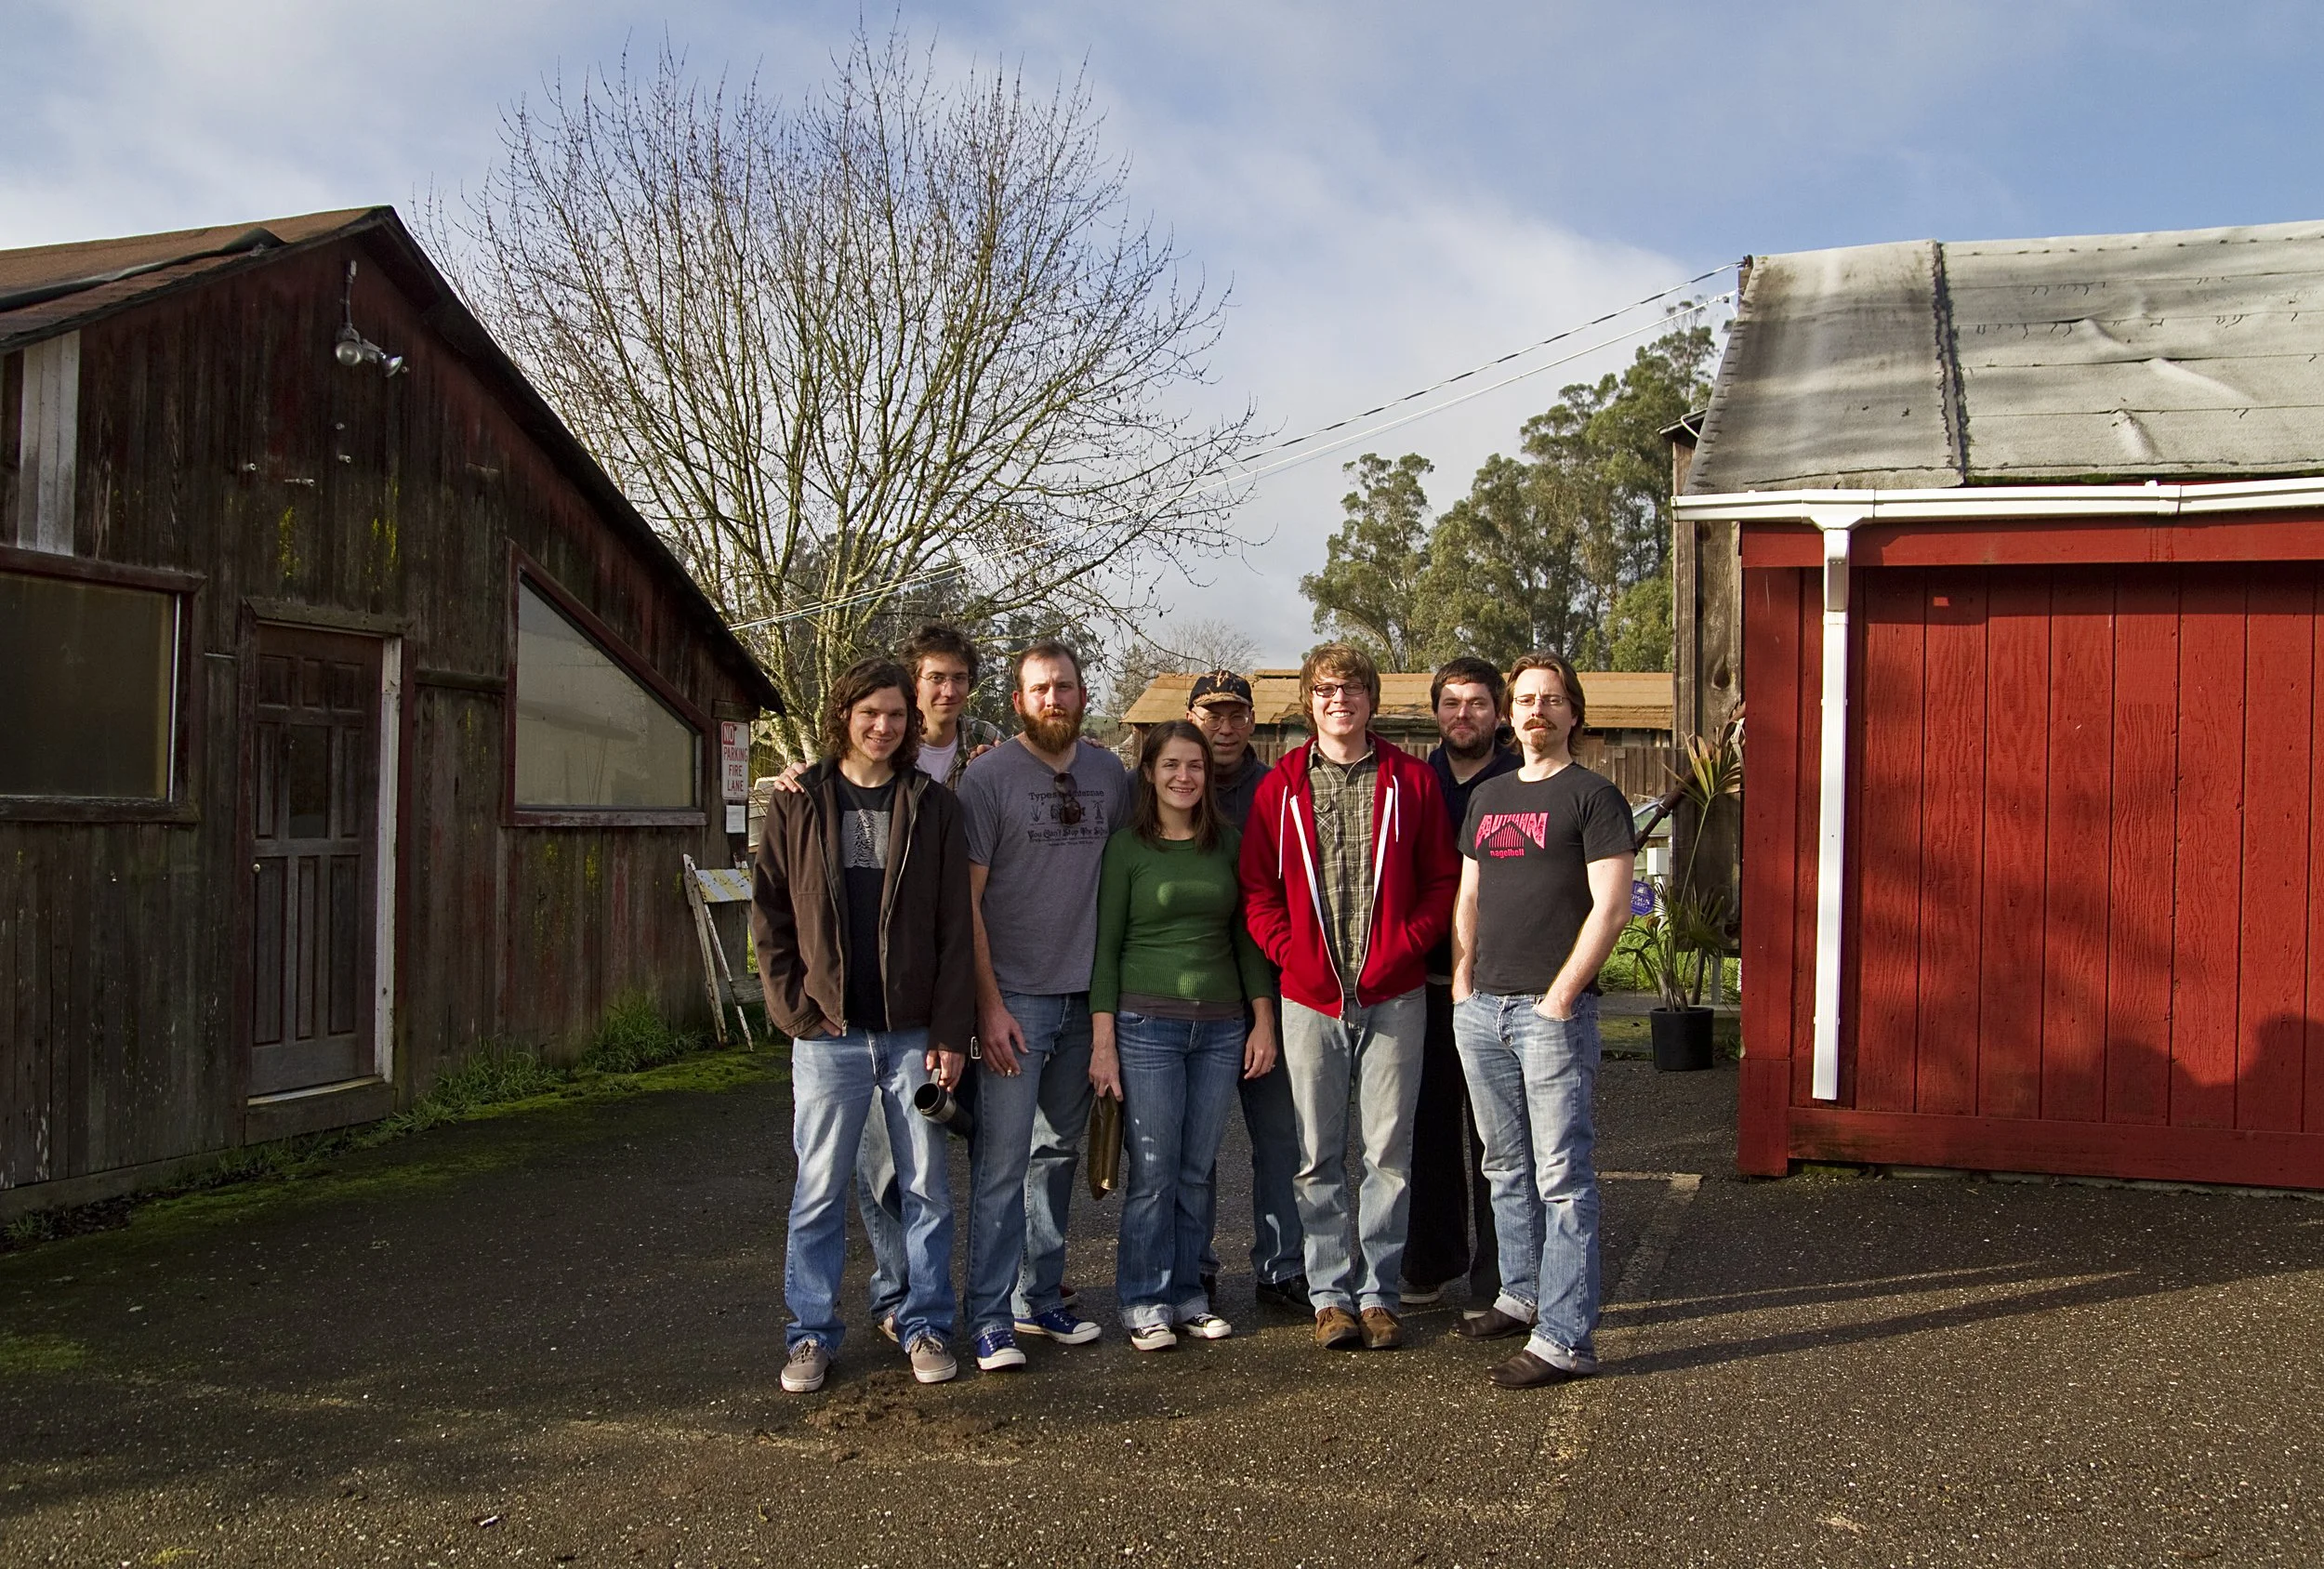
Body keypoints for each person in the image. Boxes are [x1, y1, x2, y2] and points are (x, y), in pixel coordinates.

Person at [752, 658, 975, 1393]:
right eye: (869, 712)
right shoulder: (799, 800)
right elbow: (771, 915)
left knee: (926, 1189)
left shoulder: (933, 806)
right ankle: (810, 1335)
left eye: (896, 715)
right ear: (843, 715)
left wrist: (950, 1033)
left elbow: (955, 928)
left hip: (912, 1035)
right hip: (829, 1036)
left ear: (911, 723)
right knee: (817, 1191)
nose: (883, 726)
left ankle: (926, 1324)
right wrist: (795, 1011)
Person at [1239, 642, 1459, 1352]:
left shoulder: (1411, 781)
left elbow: (1441, 882)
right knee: (1316, 1155)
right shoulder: (1280, 788)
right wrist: (1294, 955)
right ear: (1310, 701)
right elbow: (1258, 893)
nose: (1340, 700)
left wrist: (1405, 947)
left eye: (1353, 688)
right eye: (1327, 689)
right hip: (1310, 997)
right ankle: (1330, 1296)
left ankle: (1378, 1295)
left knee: (1388, 1152)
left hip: (1395, 994)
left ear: (1372, 700)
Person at [1449, 653, 1635, 1388]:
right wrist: (1462, 980)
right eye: (1525, 700)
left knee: (1561, 1177)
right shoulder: (1488, 797)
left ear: (1573, 713)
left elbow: (1612, 908)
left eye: (1551, 700)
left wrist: (1560, 997)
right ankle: (1520, 1293)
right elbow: (1468, 896)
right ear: (1509, 714)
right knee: (1503, 1166)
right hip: (1482, 1010)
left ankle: (1564, 1339)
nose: (1537, 711)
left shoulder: (1594, 797)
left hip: (1551, 1014)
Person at [955, 639, 1133, 1370]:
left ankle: (1039, 1297)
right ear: (1018, 701)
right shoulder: (988, 779)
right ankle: (989, 1315)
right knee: (1001, 1162)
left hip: (1085, 996)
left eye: (1064, 687)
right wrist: (989, 1007)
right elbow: (966, 904)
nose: (1053, 699)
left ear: (1083, 696)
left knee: (1056, 1153)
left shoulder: (1110, 775)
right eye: (1039, 689)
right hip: (1016, 1000)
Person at [1088, 720, 1278, 1351]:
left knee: (1196, 1171)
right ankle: (1143, 1298)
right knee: (1154, 1172)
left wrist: (1262, 1021)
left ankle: (1190, 1295)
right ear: (1148, 773)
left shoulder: (1229, 844)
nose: (1183, 776)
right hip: (1147, 1028)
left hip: (1221, 1029)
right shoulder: (1126, 849)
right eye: (1170, 764)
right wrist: (1104, 1044)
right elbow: (1105, 951)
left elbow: (1247, 941)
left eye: (1194, 765)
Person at [1401, 656, 1522, 1310]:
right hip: (1424, 980)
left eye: (1476, 702)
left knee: (1497, 1137)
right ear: (1435, 713)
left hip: (1500, 984)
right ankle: (1429, 1259)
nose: (1463, 714)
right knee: (1427, 1127)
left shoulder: (1520, 780)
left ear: (1498, 712)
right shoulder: (1416, 782)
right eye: (1451, 703)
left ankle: (1499, 1276)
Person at [1184, 670, 1307, 1311]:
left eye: (1236, 715)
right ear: (1192, 720)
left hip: (1274, 988)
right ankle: (1193, 1266)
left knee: (1281, 1139)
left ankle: (1282, 1267)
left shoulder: (1280, 788)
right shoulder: (1172, 787)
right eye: (1212, 716)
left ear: (1252, 721)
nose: (1225, 728)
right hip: (1195, 991)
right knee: (1195, 1147)